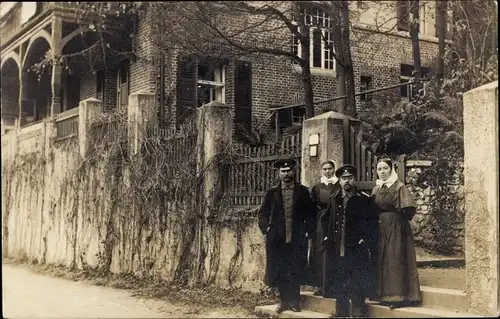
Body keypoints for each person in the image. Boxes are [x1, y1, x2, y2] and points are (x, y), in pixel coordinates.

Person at [258, 158, 316, 313]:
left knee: (295, 268)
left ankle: (295, 301)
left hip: (297, 237)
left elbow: (311, 213)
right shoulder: (272, 193)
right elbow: (263, 212)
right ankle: (283, 302)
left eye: (288, 170)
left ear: (293, 171)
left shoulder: (302, 191)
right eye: (283, 171)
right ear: (279, 173)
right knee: (281, 269)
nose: (286, 174)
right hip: (277, 238)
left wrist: (309, 230)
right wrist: (267, 228)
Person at [320, 164, 372, 317]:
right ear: (340, 180)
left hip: (356, 246)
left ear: (354, 179)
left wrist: (364, 239)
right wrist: (325, 235)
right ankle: (341, 312)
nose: (346, 181)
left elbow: (371, 222)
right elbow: (325, 218)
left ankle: (357, 312)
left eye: (349, 178)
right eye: (343, 178)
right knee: (339, 277)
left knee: (356, 278)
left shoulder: (363, 199)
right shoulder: (334, 198)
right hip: (337, 244)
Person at [371, 158, 421, 309]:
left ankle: (398, 296)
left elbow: (409, 209)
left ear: (391, 169)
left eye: (385, 168)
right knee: (382, 259)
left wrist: (397, 218)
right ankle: (383, 294)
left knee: (395, 259)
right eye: (379, 169)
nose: (382, 172)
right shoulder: (376, 188)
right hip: (380, 227)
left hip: (397, 227)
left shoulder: (399, 187)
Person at [308, 160, 341, 296]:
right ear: (322, 171)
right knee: (320, 252)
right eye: (325, 169)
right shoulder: (317, 187)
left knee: (335, 252)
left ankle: (334, 286)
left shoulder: (339, 185)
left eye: (330, 169)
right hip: (321, 222)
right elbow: (311, 206)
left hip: (336, 220)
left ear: (334, 169)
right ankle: (321, 285)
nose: (327, 171)